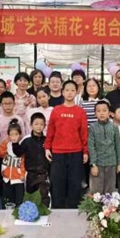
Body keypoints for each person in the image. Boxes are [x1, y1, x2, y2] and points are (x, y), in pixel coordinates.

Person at [45, 80, 88, 208]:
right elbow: (51, 130)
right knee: (57, 184)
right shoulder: (56, 110)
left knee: (74, 184)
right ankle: (57, 212)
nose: (69, 93)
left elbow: (84, 133)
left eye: (72, 90)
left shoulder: (80, 111)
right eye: (67, 90)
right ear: (62, 92)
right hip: (58, 153)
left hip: (76, 152)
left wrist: (85, 151)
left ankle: (73, 212)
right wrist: (47, 147)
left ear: (77, 92)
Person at [12, 112, 50, 207]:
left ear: (45, 126)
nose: (39, 126)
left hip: (43, 175)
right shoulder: (27, 141)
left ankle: (45, 214)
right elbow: (18, 153)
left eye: (41, 124)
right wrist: (15, 143)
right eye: (36, 124)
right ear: (31, 125)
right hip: (31, 174)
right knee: (30, 199)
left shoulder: (47, 140)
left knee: (44, 198)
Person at [87, 100, 120, 194]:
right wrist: (93, 164)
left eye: (104, 110)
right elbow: (91, 146)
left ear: (109, 113)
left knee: (110, 191)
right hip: (98, 163)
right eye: (98, 111)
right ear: (95, 113)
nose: (101, 113)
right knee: (96, 192)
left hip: (111, 163)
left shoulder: (114, 127)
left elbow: (118, 145)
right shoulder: (92, 127)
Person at [0, 119, 26, 205]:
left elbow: (23, 162)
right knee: (9, 201)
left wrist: (22, 174)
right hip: (7, 178)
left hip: (18, 179)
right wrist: (4, 144)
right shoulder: (7, 144)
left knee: (19, 201)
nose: (13, 137)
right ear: (8, 135)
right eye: (11, 134)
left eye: (16, 134)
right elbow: (1, 155)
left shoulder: (22, 146)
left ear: (20, 134)